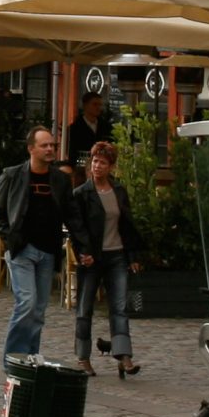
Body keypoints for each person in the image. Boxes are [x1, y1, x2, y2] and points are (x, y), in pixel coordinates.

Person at [0, 126, 76, 359]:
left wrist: (83, 243)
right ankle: (14, 357)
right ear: (31, 149)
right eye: (44, 145)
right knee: (26, 303)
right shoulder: (12, 175)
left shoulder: (60, 179)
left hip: (48, 250)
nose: (50, 149)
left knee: (38, 310)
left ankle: (31, 356)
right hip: (22, 249)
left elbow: (71, 212)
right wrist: (9, 240)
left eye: (52, 145)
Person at [68, 141, 143, 377]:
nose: (97, 166)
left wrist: (132, 255)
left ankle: (124, 356)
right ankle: (82, 357)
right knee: (84, 307)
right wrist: (83, 253)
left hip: (117, 255)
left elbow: (127, 225)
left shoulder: (118, 191)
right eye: (94, 161)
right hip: (92, 258)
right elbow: (76, 227)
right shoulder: (81, 193)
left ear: (111, 166)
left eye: (102, 162)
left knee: (119, 307)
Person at [65, 92, 113, 175]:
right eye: (95, 104)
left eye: (100, 105)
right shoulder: (74, 128)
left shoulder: (106, 127)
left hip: (102, 169)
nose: (98, 108)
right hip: (81, 170)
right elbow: (71, 152)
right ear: (85, 105)